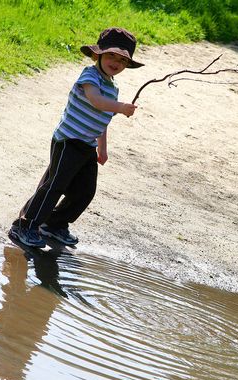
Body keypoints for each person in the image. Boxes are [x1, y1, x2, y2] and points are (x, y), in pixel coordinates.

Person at [9, 27, 144, 248]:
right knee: (54, 185)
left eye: (122, 60)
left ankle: (54, 224)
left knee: (85, 191)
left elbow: (103, 119)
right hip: (68, 141)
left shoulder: (113, 87)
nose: (116, 62)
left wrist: (103, 148)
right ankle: (24, 225)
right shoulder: (89, 76)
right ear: (97, 54)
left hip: (87, 145)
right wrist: (120, 107)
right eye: (111, 55)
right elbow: (96, 101)